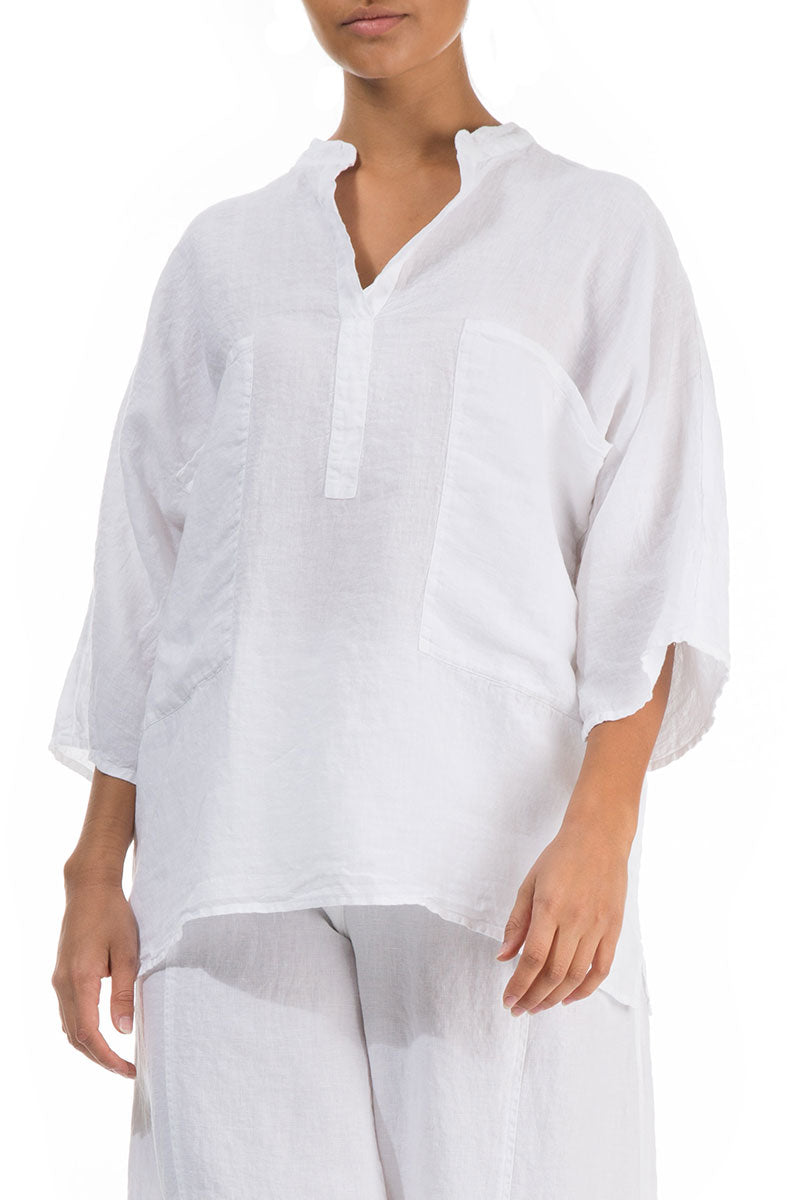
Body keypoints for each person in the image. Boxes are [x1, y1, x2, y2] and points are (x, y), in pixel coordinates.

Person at [49, 2, 730, 1197]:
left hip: (491, 871)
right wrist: (96, 865)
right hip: (229, 868)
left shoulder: (593, 233)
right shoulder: (221, 259)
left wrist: (600, 828)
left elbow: (652, 555)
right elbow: (144, 576)